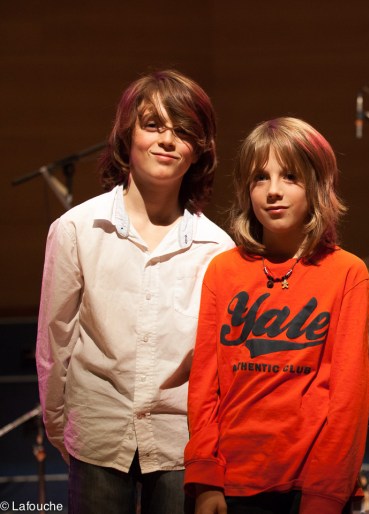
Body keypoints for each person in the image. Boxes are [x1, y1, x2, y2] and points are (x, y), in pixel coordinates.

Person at [35, 69, 234, 513]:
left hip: (180, 443)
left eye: (182, 131)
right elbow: (55, 340)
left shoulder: (220, 249)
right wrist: (60, 426)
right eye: (153, 125)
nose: (167, 140)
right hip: (97, 436)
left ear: (198, 151)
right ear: (127, 137)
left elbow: (216, 368)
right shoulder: (75, 230)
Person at [184, 117, 369, 514]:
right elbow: (205, 385)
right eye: (259, 178)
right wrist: (205, 480)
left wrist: (326, 494)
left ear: (318, 185)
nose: (273, 191)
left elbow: (348, 401)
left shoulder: (347, 273)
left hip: (312, 490)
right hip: (230, 487)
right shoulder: (223, 270)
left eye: (289, 176)